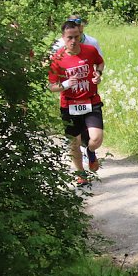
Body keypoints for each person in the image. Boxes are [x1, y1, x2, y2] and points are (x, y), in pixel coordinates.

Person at [48, 20, 105, 185]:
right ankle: (81, 174)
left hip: (91, 101)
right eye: (69, 38)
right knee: (74, 142)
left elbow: (100, 62)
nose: (73, 41)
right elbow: (52, 86)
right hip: (69, 104)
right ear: (63, 38)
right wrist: (65, 84)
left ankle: (91, 151)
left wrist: (98, 73)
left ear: (80, 35)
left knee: (96, 138)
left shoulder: (90, 50)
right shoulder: (57, 58)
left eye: (76, 37)